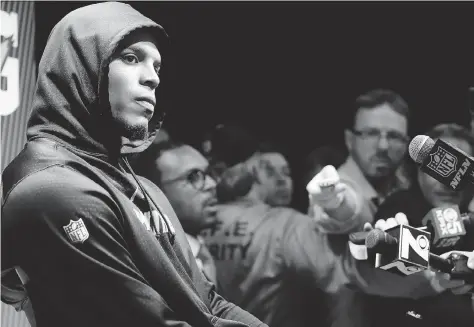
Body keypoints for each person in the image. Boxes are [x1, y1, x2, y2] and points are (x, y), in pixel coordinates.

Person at [1, 3, 266, 327]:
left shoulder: (145, 190)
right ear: (82, 66)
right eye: (131, 58)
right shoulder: (49, 189)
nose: (152, 77)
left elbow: (207, 302)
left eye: (157, 66)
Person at [132, 139, 219, 287]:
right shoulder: (160, 268)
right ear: (153, 191)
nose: (212, 184)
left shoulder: (197, 249)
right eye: (193, 177)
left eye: (209, 173)